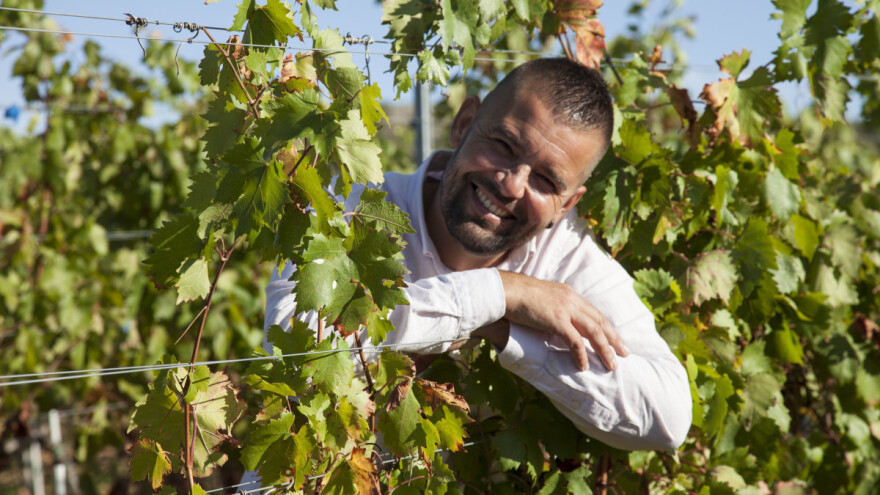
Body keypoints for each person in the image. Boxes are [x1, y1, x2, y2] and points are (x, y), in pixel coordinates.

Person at [265, 58, 692, 451]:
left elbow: (668, 418)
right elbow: (295, 348)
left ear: (566, 205)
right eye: (505, 145)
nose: (512, 185)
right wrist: (498, 294)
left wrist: (507, 332)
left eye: (546, 180)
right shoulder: (353, 206)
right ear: (464, 123)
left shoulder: (567, 257)